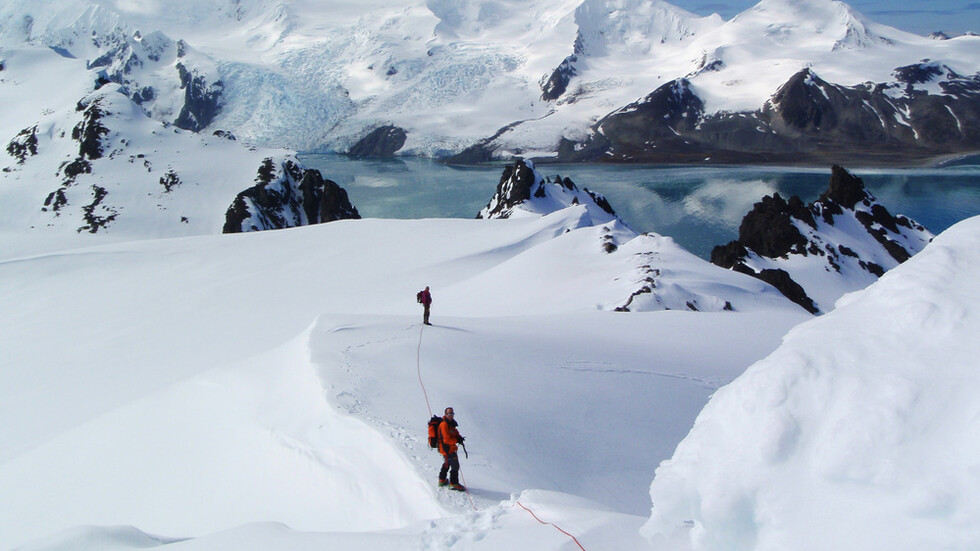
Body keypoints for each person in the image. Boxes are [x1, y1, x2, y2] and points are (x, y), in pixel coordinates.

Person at [437, 407, 465, 491]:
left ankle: (442, 480)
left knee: (447, 463)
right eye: (449, 414)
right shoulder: (444, 424)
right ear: (445, 414)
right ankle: (453, 483)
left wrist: (459, 437)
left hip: (447, 449)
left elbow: (455, 432)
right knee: (455, 465)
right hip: (448, 449)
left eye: (452, 413)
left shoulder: (450, 424)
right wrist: (457, 440)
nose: (451, 415)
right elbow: (447, 439)